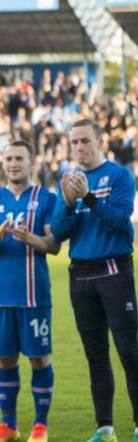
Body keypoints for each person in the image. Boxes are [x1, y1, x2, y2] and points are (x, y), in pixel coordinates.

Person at [50, 119, 137, 442]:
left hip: (115, 273)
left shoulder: (119, 176)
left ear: (100, 142)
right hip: (81, 277)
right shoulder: (70, 180)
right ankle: (105, 428)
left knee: (129, 352)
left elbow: (118, 222)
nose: (80, 148)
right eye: (75, 143)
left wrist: (88, 198)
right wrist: (69, 204)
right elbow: (59, 234)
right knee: (95, 354)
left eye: (86, 141)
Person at [0, 141, 60, 442]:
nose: (13, 164)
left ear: (31, 162)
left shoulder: (46, 199)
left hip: (35, 295)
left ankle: (40, 424)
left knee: (39, 359)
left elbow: (54, 245)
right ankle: (8, 425)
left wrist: (29, 238)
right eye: (9, 158)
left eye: (19, 159)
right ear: (3, 163)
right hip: (1, 296)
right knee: (5, 360)